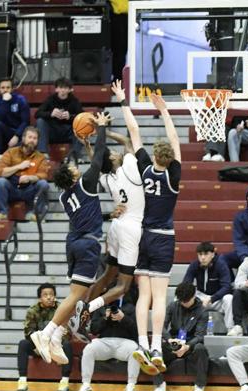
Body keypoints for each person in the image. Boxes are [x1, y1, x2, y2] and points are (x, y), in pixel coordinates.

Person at [30, 113, 110, 366]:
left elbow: (89, 213)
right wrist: (101, 129)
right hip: (87, 244)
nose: (77, 167)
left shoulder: (65, 197)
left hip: (74, 242)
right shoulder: (86, 183)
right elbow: (99, 158)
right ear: (73, 176)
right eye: (74, 168)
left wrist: (86, 143)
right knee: (76, 297)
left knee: (77, 295)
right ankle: (46, 333)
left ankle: (57, 336)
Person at [69, 80, 145, 342]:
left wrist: (89, 140)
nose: (115, 153)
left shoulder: (107, 179)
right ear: (113, 159)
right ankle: (88, 309)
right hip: (131, 228)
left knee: (107, 274)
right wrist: (105, 131)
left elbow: (96, 160)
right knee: (123, 285)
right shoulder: (129, 169)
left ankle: (82, 311)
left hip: (115, 228)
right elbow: (128, 140)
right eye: (112, 153)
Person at [128, 94, 181, 374]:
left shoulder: (145, 168)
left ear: (154, 155)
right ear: (170, 158)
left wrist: (123, 101)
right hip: (163, 237)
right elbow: (175, 140)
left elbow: (134, 132)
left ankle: (141, 343)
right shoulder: (173, 175)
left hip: (143, 237)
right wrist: (165, 112)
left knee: (143, 296)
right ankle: (157, 346)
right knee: (160, 298)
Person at [149, 283, 209, 391]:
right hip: (173, 342)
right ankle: (159, 385)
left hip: (190, 345)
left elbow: (200, 336)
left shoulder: (202, 311)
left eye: (186, 301)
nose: (184, 303)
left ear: (193, 296)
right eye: (181, 301)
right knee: (156, 347)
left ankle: (199, 386)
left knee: (201, 348)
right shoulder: (172, 306)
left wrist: (187, 346)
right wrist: (169, 339)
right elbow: (161, 326)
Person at [77, 293, 140, 391]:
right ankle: (86, 385)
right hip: (104, 342)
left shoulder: (132, 307)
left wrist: (123, 318)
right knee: (89, 348)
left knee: (135, 350)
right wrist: (104, 318)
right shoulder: (101, 307)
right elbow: (93, 330)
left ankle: (131, 386)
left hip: (125, 342)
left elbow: (137, 332)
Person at [16, 283, 73, 391]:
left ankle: (64, 383)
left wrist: (55, 347)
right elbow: (28, 332)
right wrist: (39, 346)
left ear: (55, 296)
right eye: (45, 295)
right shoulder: (33, 311)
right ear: (40, 298)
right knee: (23, 344)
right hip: (39, 347)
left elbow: (68, 332)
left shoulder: (62, 309)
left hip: (56, 347)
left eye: (51, 294)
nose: (49, 297)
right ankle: (22, 382)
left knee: (67, 345)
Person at [0, 127, 50, 222]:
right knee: (1, 182)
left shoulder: (40, 157)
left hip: (29, 189)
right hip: (12, 188)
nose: (32, 140)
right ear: (23, 138)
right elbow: (0, 171)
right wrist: (19, 167)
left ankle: (37, 214)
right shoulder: (11, 152)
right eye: (30, 137)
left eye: (35, 138)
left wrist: (30, 178)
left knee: (43, 184)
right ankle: (2, 213)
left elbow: (43, 175)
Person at [182, 241, 234, 332]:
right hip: (201, 298)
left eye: (206, 254)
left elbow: (226, 287)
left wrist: (211, 298)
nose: (203, 257)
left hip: (217, 299)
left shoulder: (221, 264)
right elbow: (186, 284)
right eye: (200, 254)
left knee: (229, 298)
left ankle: (230, 328)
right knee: (182, 296)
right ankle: (184, 330)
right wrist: (191, 297)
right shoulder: (194, 265)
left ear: (213, 254)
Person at [35, 77, 83, 162]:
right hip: (53, 131)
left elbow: (82, 117)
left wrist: (70, 116)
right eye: (60, 87)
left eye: (65, 88)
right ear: (56, 89)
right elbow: (37, 114)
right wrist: (51, 114)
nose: (63, 90)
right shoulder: (50, 99)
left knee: (81, 125)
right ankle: (43, 152)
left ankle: (74, 155)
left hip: (68, 132)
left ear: (70, 90)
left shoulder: (74, 101)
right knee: (40, 121)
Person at [0, 78, 30, 159]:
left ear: (12, 88)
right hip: (4, 133)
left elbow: (25, 121)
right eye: (3, 88)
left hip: (19, 133)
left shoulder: (20, 100)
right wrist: (5, 102)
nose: (5, 90)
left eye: (8, 87)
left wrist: (17, 135)